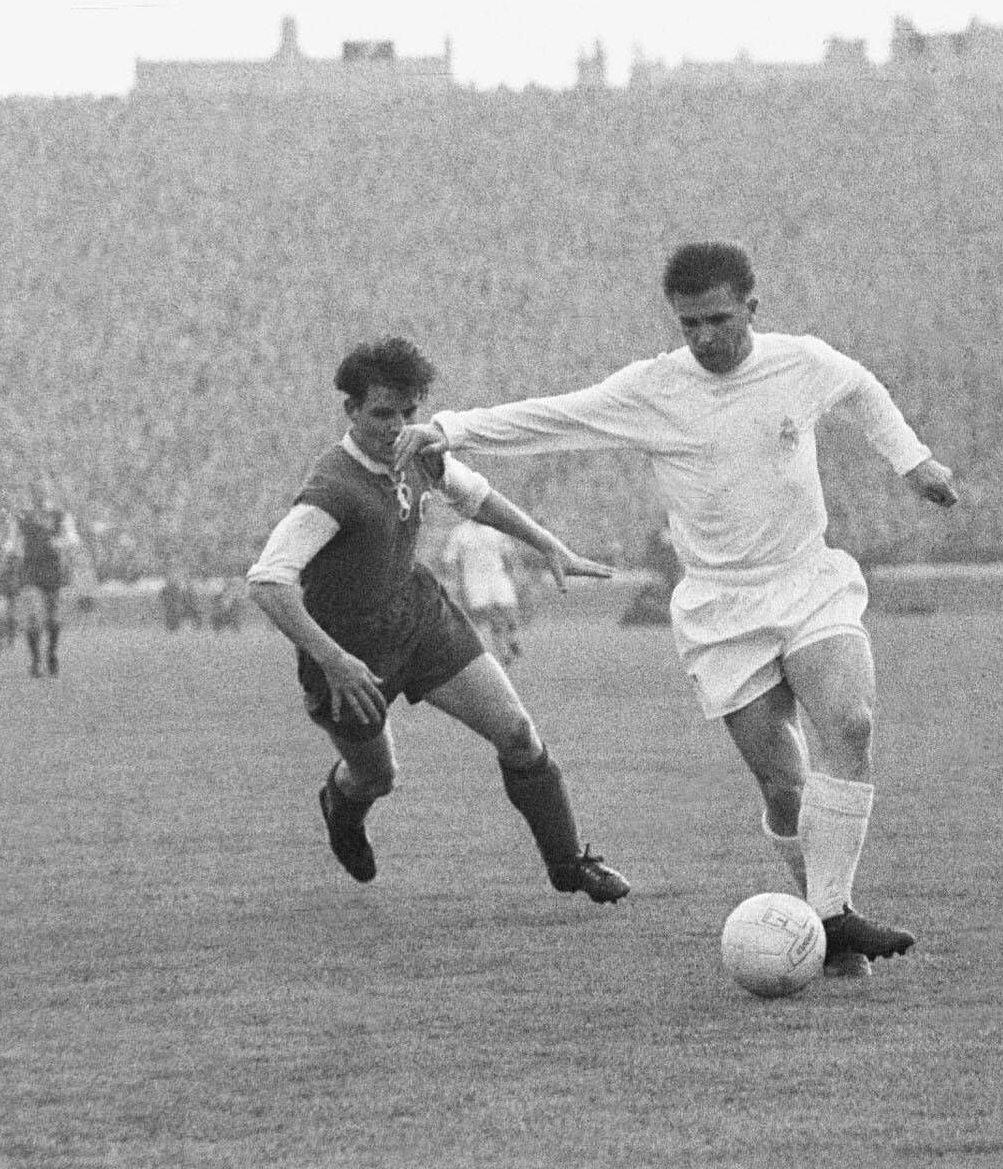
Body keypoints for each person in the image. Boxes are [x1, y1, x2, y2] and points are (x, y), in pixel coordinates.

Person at [397, 241, 959, 976]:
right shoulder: (654, 388)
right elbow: (557, 417)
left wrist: (912, 461)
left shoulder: (802, 362)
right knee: (784, 788)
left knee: (850, 722)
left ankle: (831, 913)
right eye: (688, 322)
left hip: (805, 579)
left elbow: (861, 390)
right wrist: (455, 428)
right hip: (719, 607)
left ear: (751, 308)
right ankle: (825, 933)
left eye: (717, 319)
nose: (702, 337)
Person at [245, 336, 631, 903]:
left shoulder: (422, 453)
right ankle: (340, 805)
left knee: (518, 732)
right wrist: (335, 660)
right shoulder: (332, 487)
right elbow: (268, 582)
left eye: (407, 413)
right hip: (347, 652)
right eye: (381, 413)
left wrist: (549, 546)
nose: (397, 427)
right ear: (350, 411)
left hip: (419, 620)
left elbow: (478, 497)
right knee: (378, 778)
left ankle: (570, 863)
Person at [1, 482, 87, 677]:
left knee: (52, 615)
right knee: (32, 615)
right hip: (30, 568)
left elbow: (73, 539)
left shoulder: (59, 515)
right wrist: (10, 553)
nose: (39, 496)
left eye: (42, 493)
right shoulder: (22, 516)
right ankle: (35, 659)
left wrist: (60, 543)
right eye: (35, 493)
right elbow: (12, 542)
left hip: (51, 567)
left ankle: (51, 653)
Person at [434, 514, 528, 663]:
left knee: (509, 609)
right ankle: (503, 652)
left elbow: (508, 553)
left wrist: (516, 573)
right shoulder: (460, 532)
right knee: (490, 616)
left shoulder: (495, 529)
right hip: (475, 580)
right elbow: (449, 558)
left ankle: (513, 639)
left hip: (497, 575)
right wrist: (454, 580)